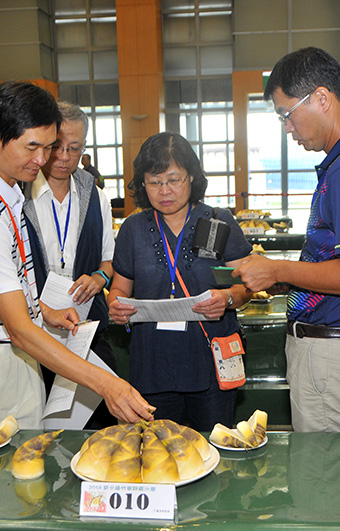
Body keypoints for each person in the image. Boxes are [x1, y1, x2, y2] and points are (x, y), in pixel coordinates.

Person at [0, 81, 153, 429]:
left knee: (33, 461)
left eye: (49, 147)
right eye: (32, 147)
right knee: (10, 476)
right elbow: (19, 330)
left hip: (15, 356)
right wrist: (105, 383)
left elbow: (13, 295)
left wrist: (44, 311)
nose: (43, 160)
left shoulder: (6, 193)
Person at [233, 47, 340, 433]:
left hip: (334, 355)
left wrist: (279, 267)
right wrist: (288, 278)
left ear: (322, 98)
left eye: (287, 115)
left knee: (325, 480)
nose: (288, 129)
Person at [107, 132, 253, 432]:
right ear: (142, 184)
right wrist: (115, 304)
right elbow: (120, 288)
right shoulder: (133, 229)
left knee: (216, 448)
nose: (164, 191)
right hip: (153, 364)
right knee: (158, 453)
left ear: (192, 178)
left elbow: (246, 287)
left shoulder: (215, 222)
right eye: (154, 182)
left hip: (210, 362)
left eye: (174, 180)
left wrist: (226, 299)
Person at [23, 101, 117, 429]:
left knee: (99, 428)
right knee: (44, 434)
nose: (63, 157)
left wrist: (99, 278)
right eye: (56, 147)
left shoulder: (96, 196)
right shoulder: (19, 194)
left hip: (86, 328)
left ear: (84, 148)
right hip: (34, 332)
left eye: (73, 148)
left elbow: (109, 262)